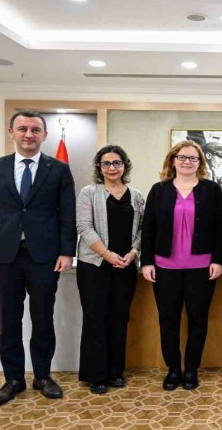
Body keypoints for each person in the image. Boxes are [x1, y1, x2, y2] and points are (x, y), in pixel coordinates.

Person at [0, 109, 76, 407]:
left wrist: (66, 251)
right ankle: (13, 380)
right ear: (12, 133)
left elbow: (67, 215)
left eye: (35, 130)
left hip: (44, 257)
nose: (28, 135)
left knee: (43, 319)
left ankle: (43, 376)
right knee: (9, 320)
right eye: (22, 129)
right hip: (3, 257)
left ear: (44, 135)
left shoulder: (58, 170)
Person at [141, 141, 222, 391]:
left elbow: (221, 228)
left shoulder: (212, 190)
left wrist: (218, 260)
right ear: (173, 160)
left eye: (193, 158)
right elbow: (148, 228)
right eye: (182, 157)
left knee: (198, 319)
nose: (187, 162)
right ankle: (173, 369)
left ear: (200, 163)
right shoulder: (159, 190)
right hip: (164, 267)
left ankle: (191, 369)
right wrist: (147, 262)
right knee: (168, 320)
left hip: (202, 267)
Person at [75, 145, 144, 394]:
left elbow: (142, 229)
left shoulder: (136, 195)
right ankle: (96, 375)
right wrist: (107, 254)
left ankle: (115, 371)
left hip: (125, 266)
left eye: (117, 163)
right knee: (96, 318)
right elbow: (83, 226)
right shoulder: (88, 193)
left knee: (119, 318)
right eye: (106, 163)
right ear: (99, 167)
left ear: (125, 166)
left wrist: (133, 252)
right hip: (94, 266)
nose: (112, 168)